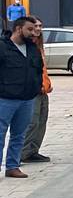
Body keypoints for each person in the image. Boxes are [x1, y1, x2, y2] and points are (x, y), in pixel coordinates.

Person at [0, 18, 42, 179]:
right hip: (5, 99)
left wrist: (36, 88)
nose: (34, 32)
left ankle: (12, 166)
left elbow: (38, 69)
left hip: (27, 99)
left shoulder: (32, 48)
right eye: (30, 29)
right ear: (18, 29)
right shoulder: (4, 47)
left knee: (19, 134)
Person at [20, 17, 52, 163]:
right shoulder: (24, 45)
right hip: (31, 90)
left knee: (41, 121)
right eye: (35, 26)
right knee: (32, 122)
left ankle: (33, 150)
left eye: (40, 26)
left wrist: (47, 84)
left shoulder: (39, 45)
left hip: (43, 89)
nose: (38, 29)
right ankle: (24, 152)